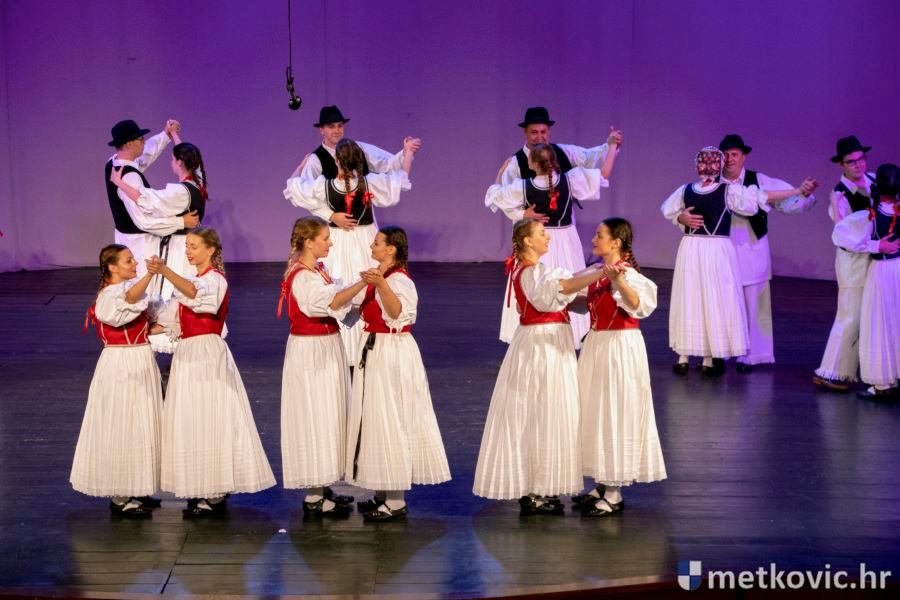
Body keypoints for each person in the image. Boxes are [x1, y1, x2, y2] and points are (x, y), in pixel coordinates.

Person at [473, 219, 608, 514]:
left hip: (550, 341)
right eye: (542, 234)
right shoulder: (531, 272)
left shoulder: (537, 271)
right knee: (540, 411)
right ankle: (534, 489)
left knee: (549, 411)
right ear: (527, 241)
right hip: (541, 345)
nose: (548, 237)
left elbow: (566, 288)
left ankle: (542, 486)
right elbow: (558, 290)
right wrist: (601, 270)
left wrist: (596, 277)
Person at [148, 228, 275, 517]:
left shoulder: (214, 280)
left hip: (207, 353)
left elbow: (196, 296)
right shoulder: (189, 281)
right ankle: (203, 485)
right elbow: (168, 321)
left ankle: (215, 490)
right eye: (187, 246)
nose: (188, 251)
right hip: (188, 353)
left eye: (194, 246)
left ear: (211, 249)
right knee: (194, 419)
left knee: (211, 416)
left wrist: (165, 271)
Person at [677, 134, 817, 373]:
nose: (730, 159)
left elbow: (787, 200)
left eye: (735, 154)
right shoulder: (709, 183)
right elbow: (685, 210)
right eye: (726, 155)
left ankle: (750, 356)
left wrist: (802, 193)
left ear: (744, 156)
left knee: (753, 304)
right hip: (719, 253)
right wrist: (682, 217)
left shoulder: (758, 180)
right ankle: (718, 353)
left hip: (751, 250)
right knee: (718, 303)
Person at [490, 106, 621, 347]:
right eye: (534, 132)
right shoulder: (516, 163)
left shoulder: (563, 153)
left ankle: (569, 335)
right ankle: (534, 333)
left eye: (543, 132)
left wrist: (610, 145)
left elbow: (591, 157)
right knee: (542, 282)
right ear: (525, 133)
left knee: (565, 280)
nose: (539, 136)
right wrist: (523, 213)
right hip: (534, 236)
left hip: (564, 233)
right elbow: (505, 203)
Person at [346, 227, 451, 521]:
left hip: (392, 350)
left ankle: (396, 500)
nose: (372, 245)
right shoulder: (378, 276)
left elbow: (397, 313)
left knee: (392, 417)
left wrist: (381, 284)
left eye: (377, 243)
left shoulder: (400, 280)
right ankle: (382, 489)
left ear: (391, 249)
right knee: (376, 417)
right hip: (375, 348)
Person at [284, 137, 417, 360]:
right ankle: (361, 341)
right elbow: (399, 180)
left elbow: (294, 188)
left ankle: (347, 347)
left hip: (339, 240)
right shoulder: (369, 183)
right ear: (359, 161)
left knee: (343, 287)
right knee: (365, 285)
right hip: (364, 238)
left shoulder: (325, 186)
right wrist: (409, 154)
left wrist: (299, 167)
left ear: (336, 160)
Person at [573, 218, 666, 517]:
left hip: (619, 348)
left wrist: (620, 282)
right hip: (598, 345)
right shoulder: (599, 272)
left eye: (599, 235)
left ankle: (614, 492)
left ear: (616, 242)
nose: (593, 239)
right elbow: (586, 301)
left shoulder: (628, 274)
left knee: (615, 412)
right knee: (596, 411)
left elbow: (638, 305)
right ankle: (601, 484)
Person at [278, 217, 368, 517]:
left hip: (326, 345)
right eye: (326, 238)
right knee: (314, 414)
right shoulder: (303, 277)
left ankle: (323, 486)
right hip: (311, 351)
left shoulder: (318, 271)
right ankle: (314, 496)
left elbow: (336, 301)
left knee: (328, 413)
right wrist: (362, 283)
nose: (330, 242)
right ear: (309, 242)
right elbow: (327, 303)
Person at [70, 244, 162, 518]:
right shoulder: (110, 296)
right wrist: (150, 275)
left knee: (140, 423)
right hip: (121, 363)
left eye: (133, 260)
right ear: (112, 267)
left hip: (139, 358)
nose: (134, 264)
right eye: (128, 261)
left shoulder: (128, 291)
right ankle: (120, 496)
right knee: (123, 423)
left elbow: (141, 319)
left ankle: (136, 485)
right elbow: (126, 305)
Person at [832, 163, 900, 399]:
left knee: (880, 324)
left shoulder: (871, 214)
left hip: (882, 272)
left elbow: (842, 235)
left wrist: (876, 245)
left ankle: (882, 383)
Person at [813, 136, 875, 391]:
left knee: (867, 317)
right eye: (851, 162)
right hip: (853, 263)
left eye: (861, 159)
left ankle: (863, 370)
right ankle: (833, 371)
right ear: (842, 164)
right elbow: (846, 236)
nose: (858, 165)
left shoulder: (874, 181)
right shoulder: (839, 195)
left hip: (873, 262)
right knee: (850, 316)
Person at [109, 142, 208, 301]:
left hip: (180, 246)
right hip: (193, 243)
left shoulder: (180, 192)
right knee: (189, 284)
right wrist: (174, 136)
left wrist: (119, 182)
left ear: (179, 162)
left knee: (177, 287)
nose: (171, 162)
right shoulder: (198, 183)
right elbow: (192, 161)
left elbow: (146, 201)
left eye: (173, 159)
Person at [104, 119, 199, 277]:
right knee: (143, 286)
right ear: (129, 144)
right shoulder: (130, 177)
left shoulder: (114, 162)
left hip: (127, 240)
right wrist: (181, 222)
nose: (144, 142)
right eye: (140, 139)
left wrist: (166, 135)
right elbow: (144, 220)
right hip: (139, 245)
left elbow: (146, 154)